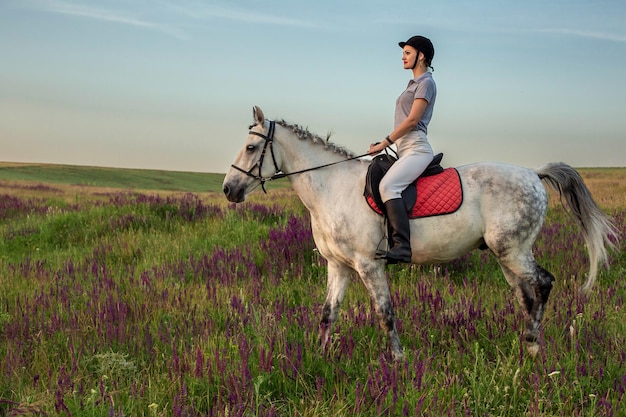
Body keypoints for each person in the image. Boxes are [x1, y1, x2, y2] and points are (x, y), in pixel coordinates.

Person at [368, 35, 437, 264]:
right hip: (404, 148)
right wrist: (386, 143)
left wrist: (384, 143)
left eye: (408, 53)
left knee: (388, 186)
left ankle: (402, 247)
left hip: (416, 148)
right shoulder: (413, 85)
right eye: (404, 53)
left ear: (421, 56)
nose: (403, 57)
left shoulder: (426, 83)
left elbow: (411, 121)